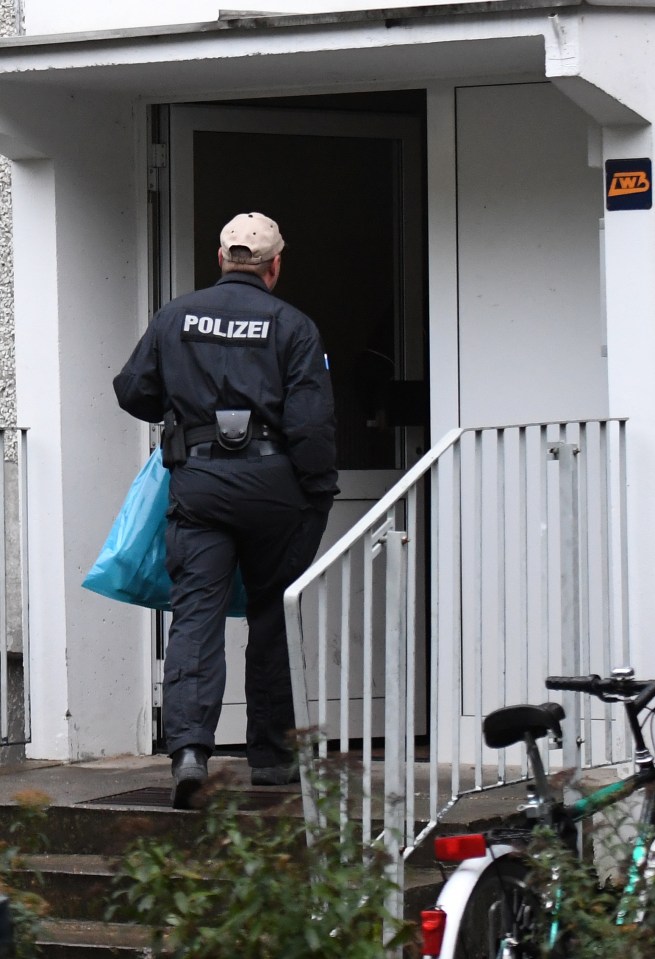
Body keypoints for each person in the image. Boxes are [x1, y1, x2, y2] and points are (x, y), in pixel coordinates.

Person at [113, 212, 338, 808]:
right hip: (275, 488)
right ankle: (271, 759)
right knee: (272, 617)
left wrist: (185, 407)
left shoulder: (175, 316)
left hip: (202, 484)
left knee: (196, 618)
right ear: (275, 265)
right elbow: (311, 424)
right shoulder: (293, 324)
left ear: (221, 259)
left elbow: (133, 390)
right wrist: (317, 491)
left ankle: (189, 750)